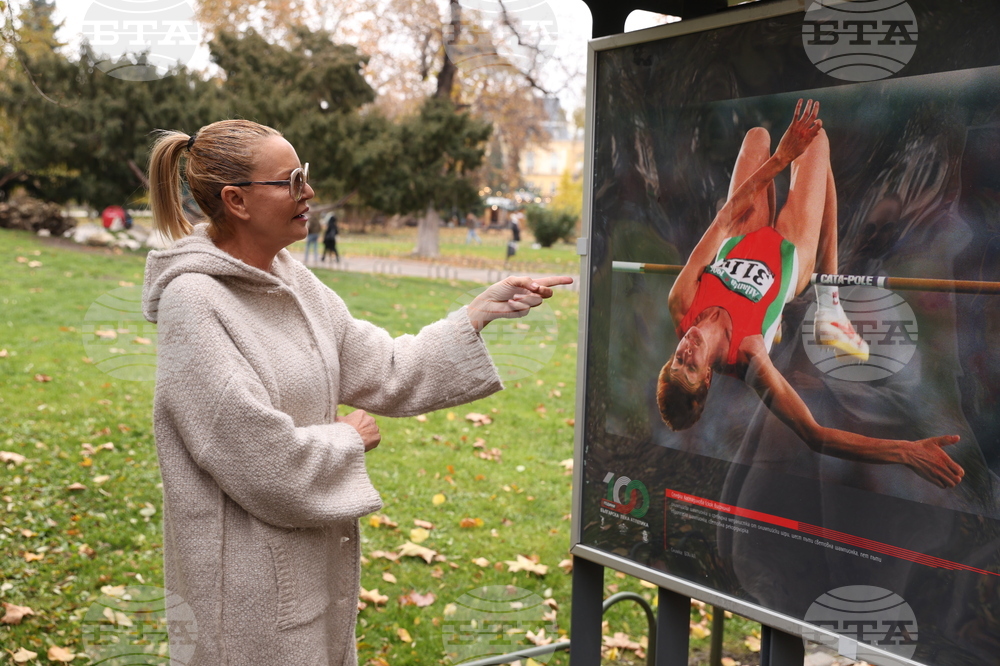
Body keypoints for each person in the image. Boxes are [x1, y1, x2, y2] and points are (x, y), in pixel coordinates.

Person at [142, 119, 573, 666]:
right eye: (292, 180)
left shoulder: (293, 282)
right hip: (244, 600)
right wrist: (346, 439)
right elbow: (257, 459)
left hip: (308, 573)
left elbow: (386, 366)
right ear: (237, 200)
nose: (309, 193)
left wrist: (479, 312)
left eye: (306, 176)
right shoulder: (194, 305)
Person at [657, 99, 965, 490]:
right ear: (705, 379)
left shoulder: (681, 303)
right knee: (816, 142)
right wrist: (904, 451)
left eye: (674, 362)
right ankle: (829, 306)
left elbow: (722, 219)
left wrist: (781, 158)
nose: (684, 353)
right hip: (788, 255)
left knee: (758, 137)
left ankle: (805, 314)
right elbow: (814, 434)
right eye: (688, 367)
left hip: (739, 236)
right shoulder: (750, 355)